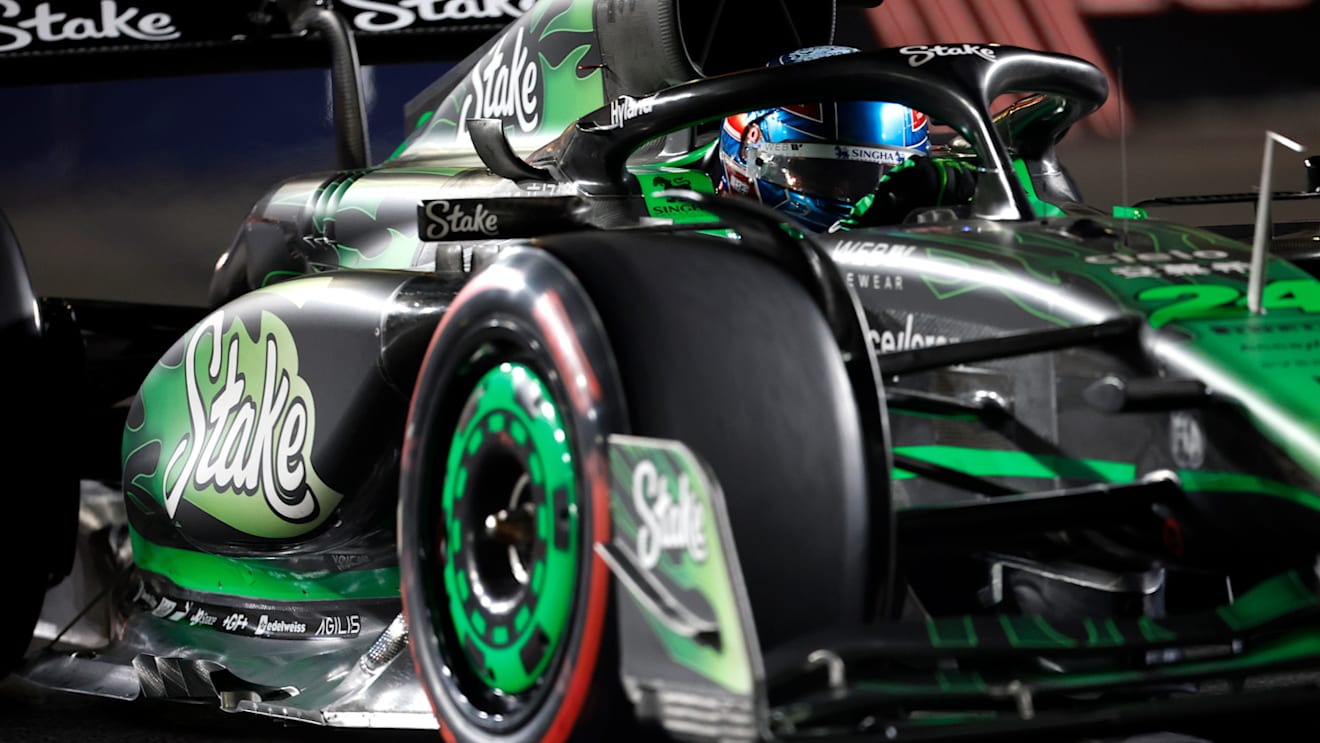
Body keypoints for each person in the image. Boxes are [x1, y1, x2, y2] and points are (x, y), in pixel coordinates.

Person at [712, 45, 977, 233]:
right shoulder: (695, 247)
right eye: (826, 175)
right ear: (749, 157)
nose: (867, 198)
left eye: (885, 176)